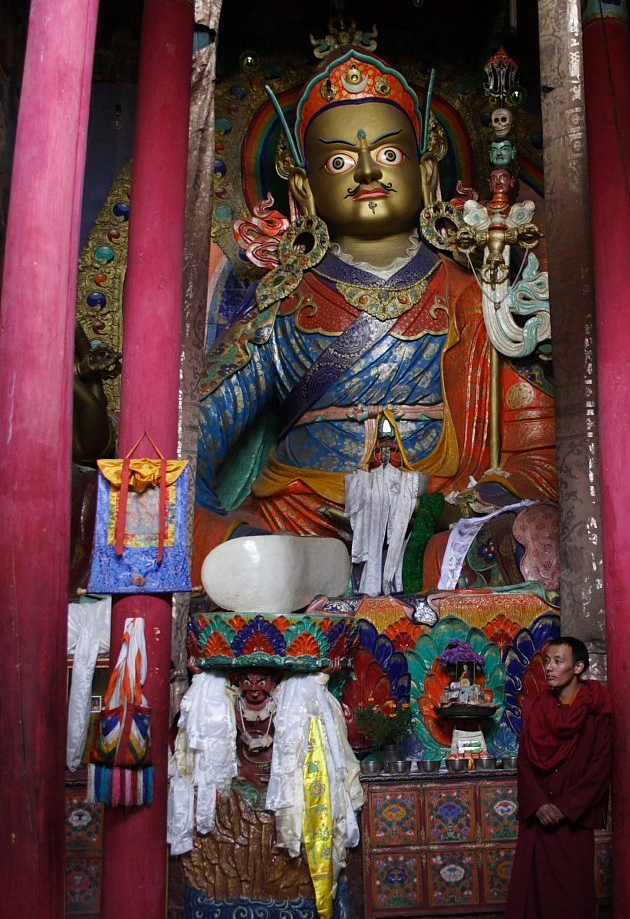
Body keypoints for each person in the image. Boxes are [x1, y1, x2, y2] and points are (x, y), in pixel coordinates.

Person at [195, 48, 556, 589]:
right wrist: (211, 529)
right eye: (338, 162)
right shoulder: (283, 305)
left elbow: (541, 455)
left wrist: (462, 507)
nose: (367, 171)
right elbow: (191, 440)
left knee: (541, 541)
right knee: (242, 559)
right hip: (299, 525)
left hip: (440, 527)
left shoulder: (477, 297)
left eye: (388, 155)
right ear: (304, 186)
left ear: (425, 168)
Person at [498, 636, 613, 919]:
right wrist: (539, 804)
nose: (548, 667)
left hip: (572, 822)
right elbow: (526, 762)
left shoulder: (598, 711)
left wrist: (564, 807)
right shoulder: (537, 708)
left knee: (573, 900)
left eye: (558, 661)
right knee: (535, 897)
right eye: (547, 660)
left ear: (578, 667)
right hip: (538, 819)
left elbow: (599, 768)